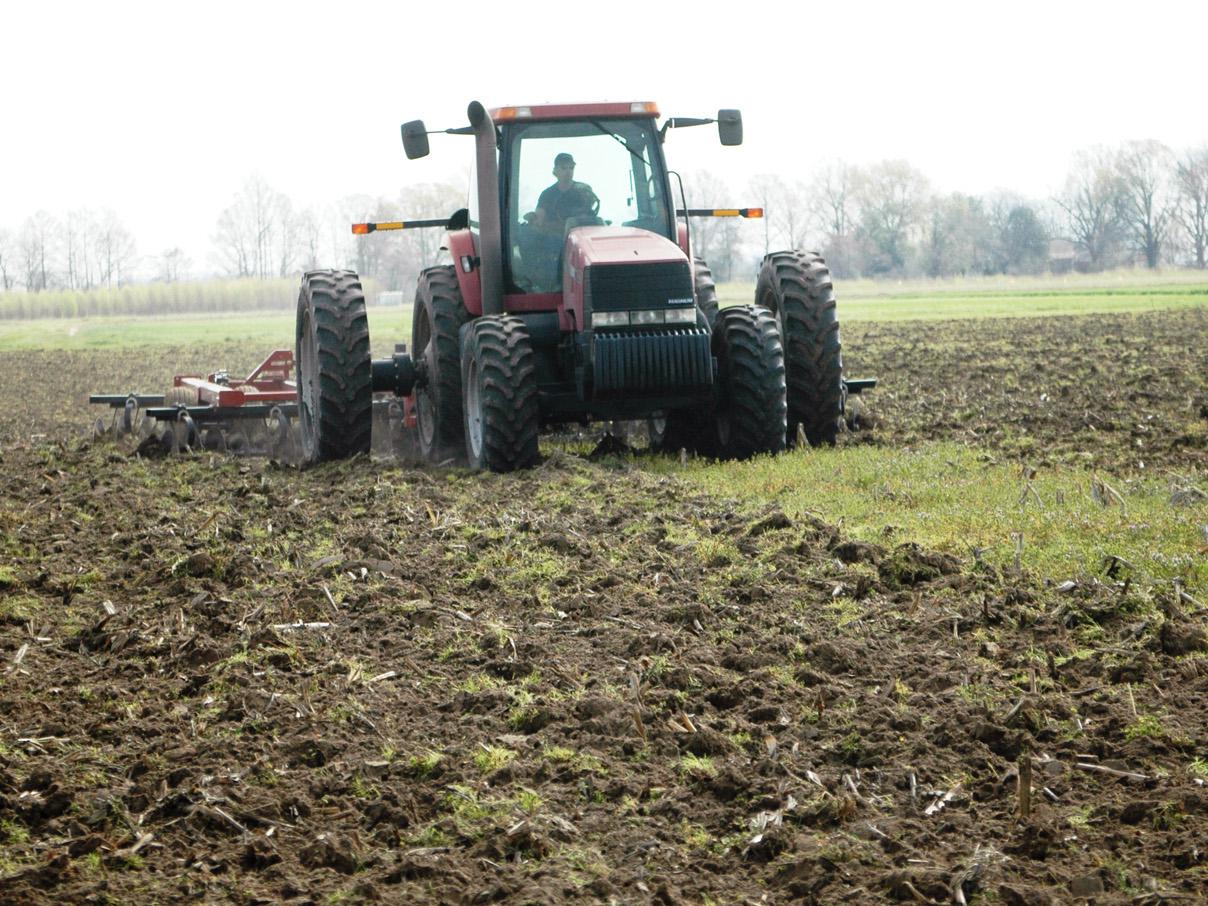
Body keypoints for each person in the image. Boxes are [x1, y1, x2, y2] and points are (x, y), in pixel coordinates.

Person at [517, 153, 598, 290]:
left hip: (581, 237)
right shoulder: (547, 194)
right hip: (555, 237)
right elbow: (539, 218)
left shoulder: (583, 191)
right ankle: (553, 284)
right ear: (555, 171)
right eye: (564, 168)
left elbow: (590, 214)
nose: (568, 172)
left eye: (571, 168)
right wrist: (534, 219)